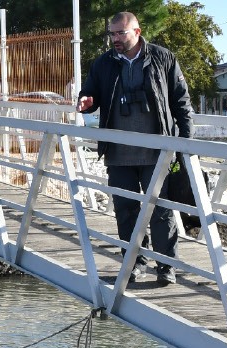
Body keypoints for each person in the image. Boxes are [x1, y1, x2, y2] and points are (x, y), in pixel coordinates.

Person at [76, 11, 194, 287]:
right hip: (119, 153)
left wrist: (186, 145)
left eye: (121, 33)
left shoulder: (163, 58)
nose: (115, 39)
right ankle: (135, 264)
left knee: (161, 212)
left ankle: (167, 266)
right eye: (112, 34)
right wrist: (86, 102)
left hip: (158, 152)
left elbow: (181, 102)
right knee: (125, 210)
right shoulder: (103, 63)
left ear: (137, 32)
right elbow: (90, 94)